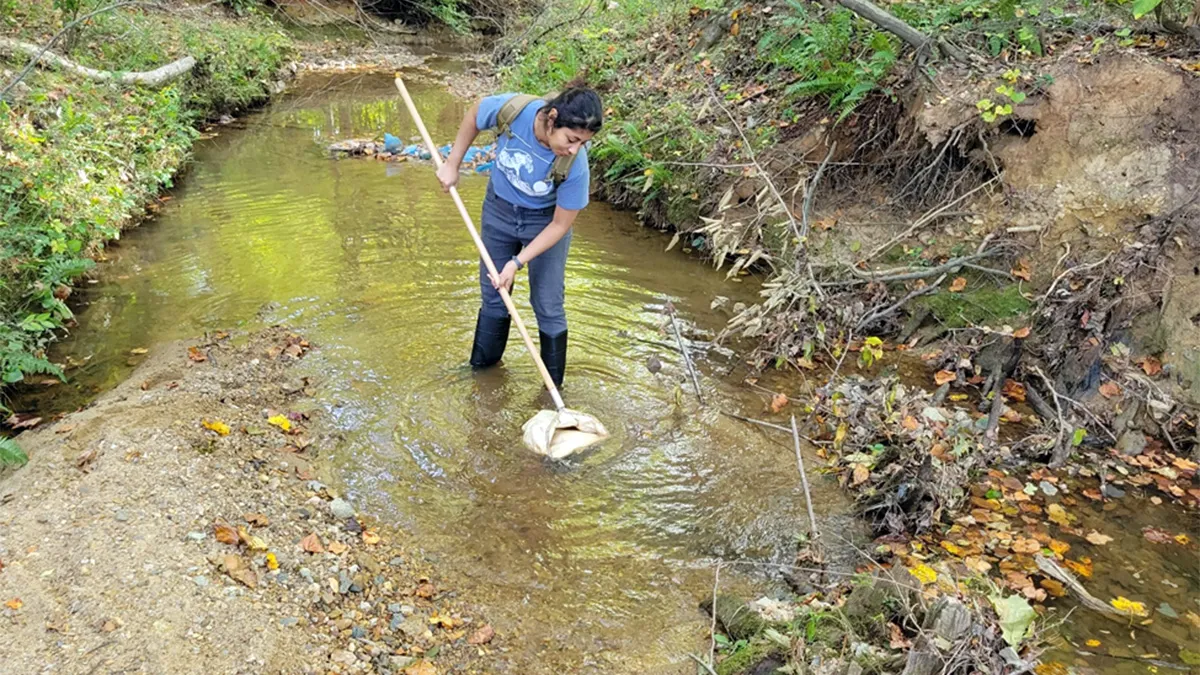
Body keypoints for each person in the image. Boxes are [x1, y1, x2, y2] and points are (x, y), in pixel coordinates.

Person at [436, 80, 603, 388]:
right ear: (552, 118)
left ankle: (553, 392)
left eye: (582, 142)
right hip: (498, 211)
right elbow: (475, 114)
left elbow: (560, 225)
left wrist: (517, 263)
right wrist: (452, 163)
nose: (575, 148)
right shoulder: (514, 111)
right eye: (571, 138)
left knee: (548, 304)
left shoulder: (575, 164)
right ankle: (483, 378)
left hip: (544, 224)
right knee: (494, 295)